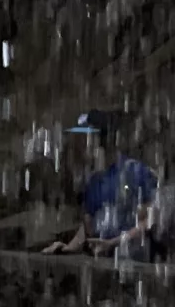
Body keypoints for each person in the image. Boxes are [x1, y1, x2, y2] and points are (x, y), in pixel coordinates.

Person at [41, 109, 156, 258]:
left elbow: (152, 220)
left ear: (103, 140)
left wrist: (115, 242)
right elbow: (90, 225)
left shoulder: (135, 172)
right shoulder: (94, 181)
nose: (78, 146)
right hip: (103, 266)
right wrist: (68, 247)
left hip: (136, 267)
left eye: (84, 138)